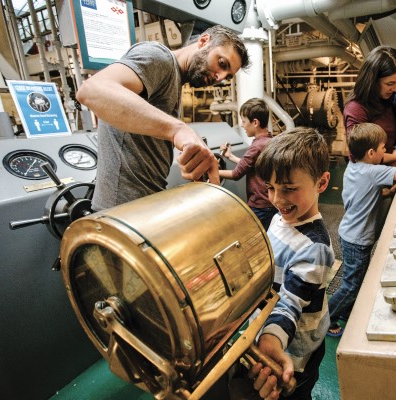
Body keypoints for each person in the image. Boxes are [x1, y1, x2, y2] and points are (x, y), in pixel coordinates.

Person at [76, 25, 250, 211]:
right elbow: (91, 90)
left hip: (146, 202)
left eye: (227, 76)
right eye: (222, 63)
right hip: (121, 209)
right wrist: (178, 129)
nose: (220, 77)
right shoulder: (159, 58)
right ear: (203, 41)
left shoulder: (175, 80)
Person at [248, 128, 335, 400]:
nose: (277, 199)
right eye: (270, 188)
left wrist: (271, 338)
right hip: (267, 329)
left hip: (294, 349)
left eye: (289, 189)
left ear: (321, 183)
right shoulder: (280, 218)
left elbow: (290, 301)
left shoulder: (315, 248)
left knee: (295, 393)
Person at [326, 123, 396, 337]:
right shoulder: (372, 171)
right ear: (371, 153)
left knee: (354, 278)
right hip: (357, 240)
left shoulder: (355, 167)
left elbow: (362, 196)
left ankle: (346, 311)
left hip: (349, 234)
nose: (385, 152)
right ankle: (328, 320)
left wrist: (388, 192)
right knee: (351, 284)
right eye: (383, 148)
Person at [343, 46, 396, 166]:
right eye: (390, 83)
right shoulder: (355, 108)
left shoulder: (388, 100)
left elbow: (388, 139)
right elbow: (359, 156)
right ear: (373, 80)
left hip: (390, 174)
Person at [219, 98, 275, 230]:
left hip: (259, 205)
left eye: (244, 121)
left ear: (255, 122)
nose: (242, 125)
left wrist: (210, 171)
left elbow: (236, 174)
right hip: (269, 203)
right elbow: (254, 166)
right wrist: (230, 156)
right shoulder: (268, 140)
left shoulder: (256, 146)